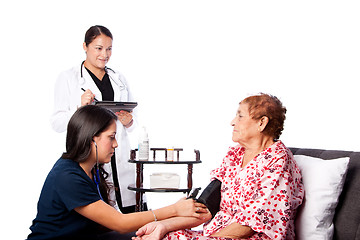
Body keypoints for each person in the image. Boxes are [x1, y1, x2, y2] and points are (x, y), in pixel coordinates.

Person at [133, 93, 304, 240]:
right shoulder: (235, 155)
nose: (232, 122)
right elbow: (206, 208)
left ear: (262, 123)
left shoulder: (277, 161)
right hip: (218, 234)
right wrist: (162, 226)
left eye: (240, 116)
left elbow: (252, 224)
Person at [28, 105, 208, 240]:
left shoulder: (92, 171)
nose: (116, 144)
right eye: (111, 137)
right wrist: (174, 210)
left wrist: (160, 223)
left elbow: (106, 223)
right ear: (92, 139)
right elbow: (119, 223)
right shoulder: (67, 177)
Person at [50, 25, 141, 213]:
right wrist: (80, 108)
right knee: (99, 214)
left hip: (120, 155)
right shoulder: (69, 78)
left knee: (131, 212)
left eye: (109, 49)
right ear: (85, 46)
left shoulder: (119, 79)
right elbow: (57, 122)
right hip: (90, 154)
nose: (104, 54)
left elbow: (134, 124)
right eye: (98, 48)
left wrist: (129, 122)